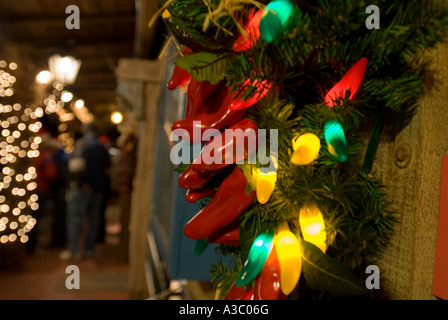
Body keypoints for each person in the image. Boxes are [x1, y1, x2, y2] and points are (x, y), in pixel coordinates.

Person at [60, 122, 110, 261]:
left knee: (75, 218)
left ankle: (74, 249)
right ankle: (89, 249)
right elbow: (107, 166)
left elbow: (76, 166)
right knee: (93, 219)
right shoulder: (101, 146)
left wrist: (82, 182)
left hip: (82, 188)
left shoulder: (82, 144)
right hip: (98, 188)